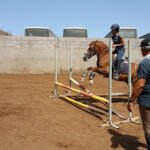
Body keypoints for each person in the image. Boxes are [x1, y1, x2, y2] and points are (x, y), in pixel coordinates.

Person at [127, 39, 150, 150]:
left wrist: (131, 100)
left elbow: (140, 85)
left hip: (147, 100)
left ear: (143, 49)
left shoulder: (145, 63)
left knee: (148, 127)